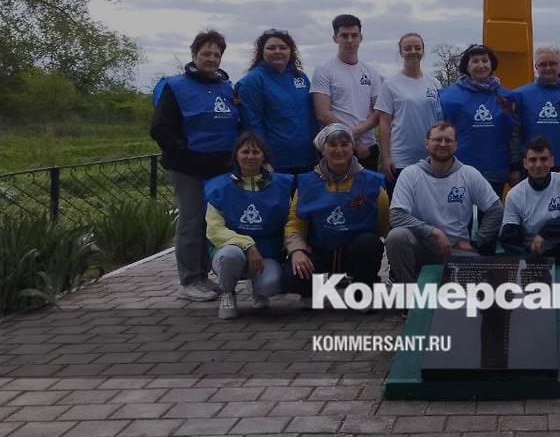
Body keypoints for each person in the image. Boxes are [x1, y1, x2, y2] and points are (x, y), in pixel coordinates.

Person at [150, 29, 241, 301]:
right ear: (194, 55)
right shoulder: (175, 86)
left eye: (217, 54)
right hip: (187, 168)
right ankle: (189, 280)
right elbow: (161, 128)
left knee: (211, 223)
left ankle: (203, 274)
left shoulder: (226, 88)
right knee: (191, 221)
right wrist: (183, 156)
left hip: (220, 168)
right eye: (206, 53)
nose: (211, 58)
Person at [385, 121, 504, 284]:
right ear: (426, 143)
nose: (442, 144)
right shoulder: (410, 174)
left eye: (448, 140)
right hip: (421, 247)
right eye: (437, 139)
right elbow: (396, 216)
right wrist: (434, 232)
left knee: (477, 291)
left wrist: (477, 241)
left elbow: (496, 209)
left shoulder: (469, 174)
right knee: (396, 236)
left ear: (455, 145)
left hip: (457, 248)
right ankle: (409, 293)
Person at [282, 123, 390, 297]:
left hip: (355, 250)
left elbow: (383, 224)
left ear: (352, 148)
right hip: (319, 250)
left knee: (370, 244)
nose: (339, 150)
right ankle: (311, 292)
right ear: (322, 150)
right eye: (332, 145)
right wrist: (297, 251)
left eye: (344, 144)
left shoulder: (372, 182)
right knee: (291, 277)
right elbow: (295, 224)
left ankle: (363, 287)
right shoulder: (306, 183)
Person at [204, 132, 292, 319]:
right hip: (230, 250)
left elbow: (290, 223)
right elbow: (214, 230)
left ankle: (258, 289)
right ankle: (227, 294)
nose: (250, 156)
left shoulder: (282, 185)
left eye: (256, 152)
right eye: (245, 152)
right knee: (231, 255)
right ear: (236, 155)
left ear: (264, 156)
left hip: (267, 253)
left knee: (271, 285)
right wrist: (248, 245)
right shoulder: (219, 187)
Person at [499, 136, 560, 277]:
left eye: (544, 159)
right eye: (533, 160)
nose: (538, 165)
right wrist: (528, 259)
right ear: (525, 163)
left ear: (552, 161)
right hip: (532, 253)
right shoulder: (514, 194)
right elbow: (508, 239)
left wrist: (546, 232)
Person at [235, 29, 317, 175]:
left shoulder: (301, 77)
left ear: (291, 51)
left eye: (283, 47)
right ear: (262, 51)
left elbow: (312, 116)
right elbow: (252, 124)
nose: (277, 51)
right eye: (271, 48)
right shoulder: (251, 82)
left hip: (307, 159)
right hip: (276, 163)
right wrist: (264, 159)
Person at [509, 44, 560, 190]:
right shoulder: (520, 95)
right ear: (536, 66)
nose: (548, 68)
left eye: (552, 63)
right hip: (533, 168)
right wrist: (515, 166)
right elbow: (514, 135)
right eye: (543, 64)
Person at [311, 14, 383, 171]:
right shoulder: (324, 70)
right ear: (335, 38)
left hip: (367, 149)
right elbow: (323, 114)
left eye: (354, 35)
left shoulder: (371, 71)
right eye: (344, 35)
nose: (350, 40)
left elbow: (378, 112)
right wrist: (353, 141)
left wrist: (354, 132)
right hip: (335, 148)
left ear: (361, 38)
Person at [438, 44, 514, 194]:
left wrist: (514, 167)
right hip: (460, 171)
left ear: (491, 64)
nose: (481, 65)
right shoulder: (448, 97)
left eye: (485, 60)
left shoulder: (506, 96)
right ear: (466, 66)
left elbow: (513, 134)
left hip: (495, 171)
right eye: (475, 61)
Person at [375, 32, 442, 183]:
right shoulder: (390, 84)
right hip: (401, 159)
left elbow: (440, 121)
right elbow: (384, 124)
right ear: (401, 52)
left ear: (423, 51)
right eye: (407, 48)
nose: (413, 51)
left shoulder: (435, 83)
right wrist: (386, 157)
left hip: (430, 157)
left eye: (417, 48)